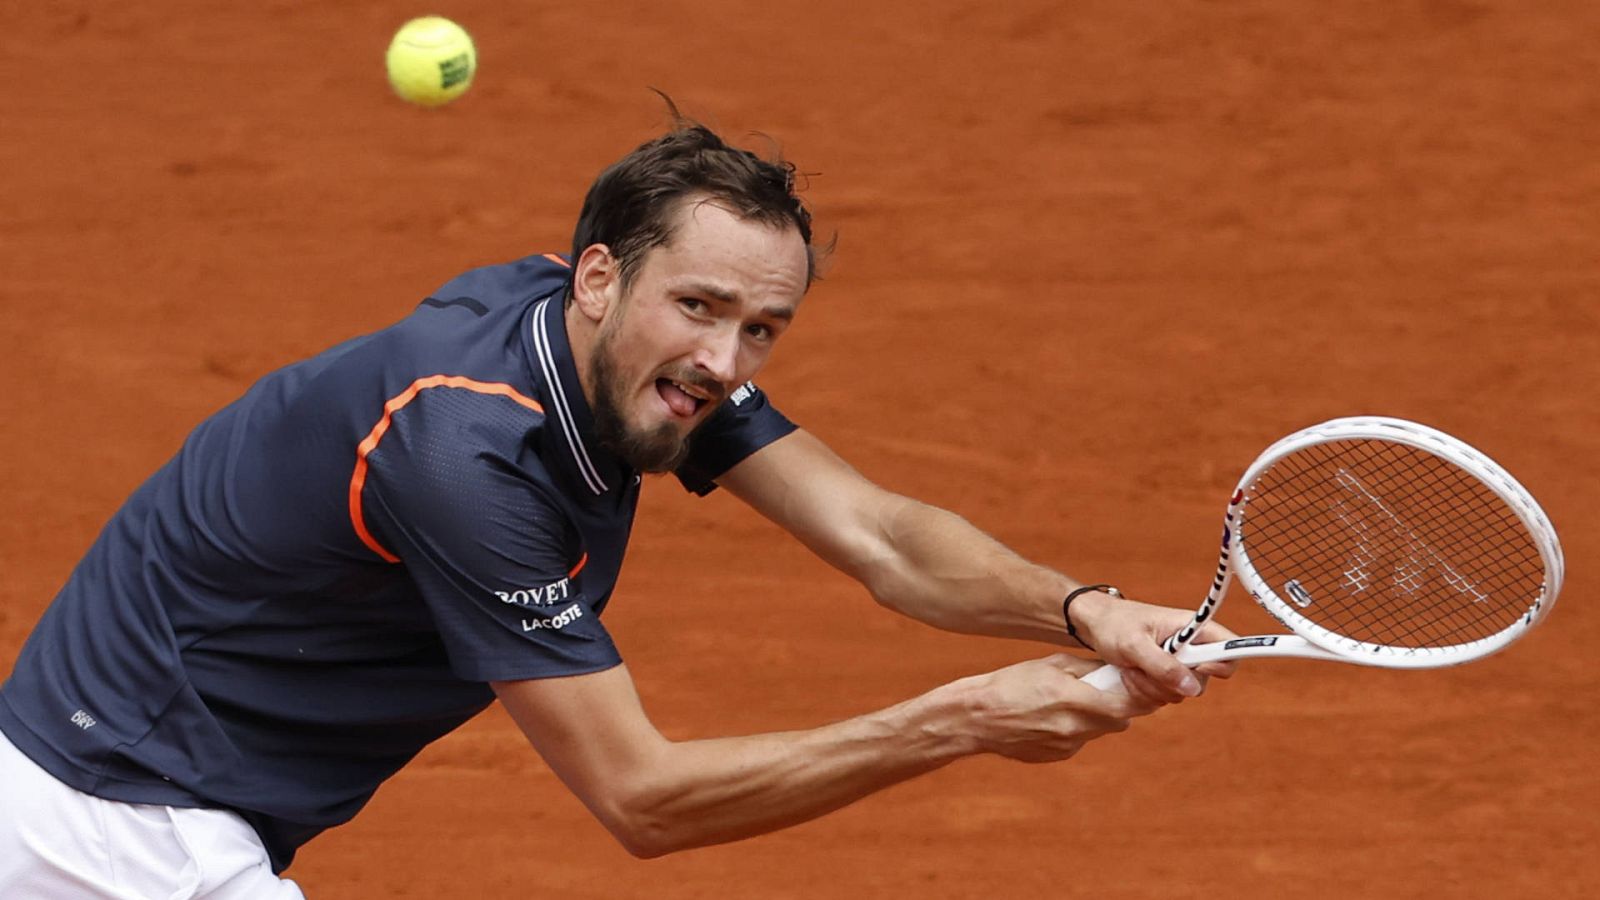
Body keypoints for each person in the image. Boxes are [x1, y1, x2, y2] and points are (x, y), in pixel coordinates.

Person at [0, 114, 1236, 898]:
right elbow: (643, 798)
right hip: (116, 828)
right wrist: (959, 720)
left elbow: (879, 537)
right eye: (699, 307)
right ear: (598, 276)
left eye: (762, 327)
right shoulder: (462, 461)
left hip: (155, 800)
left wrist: (1085, 610)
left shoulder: (614, 354)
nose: (726, 359)